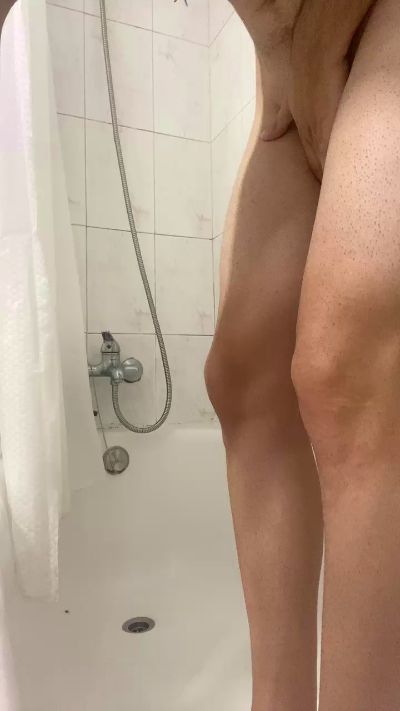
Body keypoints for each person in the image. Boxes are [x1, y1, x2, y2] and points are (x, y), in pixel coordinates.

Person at [205, 0, 400, 709]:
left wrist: (314, 41)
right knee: (244, 375)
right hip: (288, 61)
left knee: (350, 361)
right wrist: (280, 51)